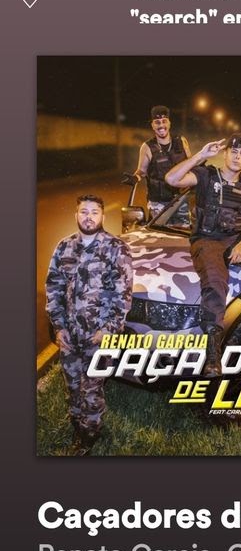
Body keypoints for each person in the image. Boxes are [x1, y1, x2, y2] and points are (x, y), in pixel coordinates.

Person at [165, 133, 241, 377]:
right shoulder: (205, 175)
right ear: (225, 153)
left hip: (235, 240)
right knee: (215, 282)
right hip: (207, 240)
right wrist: (200, 155)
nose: (237, 156)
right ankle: (213, 353)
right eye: (233, 151)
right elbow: (171, 179)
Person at [45, 195, 133, 455]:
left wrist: (108, 329)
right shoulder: (64, 247)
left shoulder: (116, 248)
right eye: (84, 211)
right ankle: (76, 423)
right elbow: (53, 288)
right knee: (73, 385)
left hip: (99, 335)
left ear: (102, 216)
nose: (89, 217)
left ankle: (88, 437)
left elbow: (123, 294)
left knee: (91, 389)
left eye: (94, 212)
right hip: (70, 335)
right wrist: (59, 326)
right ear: (76, 215)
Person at [122, 105, 192, 218]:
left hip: (181, 199)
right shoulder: (147, 147)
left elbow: (190, 164)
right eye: (157, 122)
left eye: (164, 121)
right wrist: (136, 178)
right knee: (157, 230)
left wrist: (201, 172)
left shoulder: (181, 141)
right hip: (157, 204)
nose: (161, 125)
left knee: (181, 229)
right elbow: (142, 171)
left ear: (169, 123)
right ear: (152, 125)